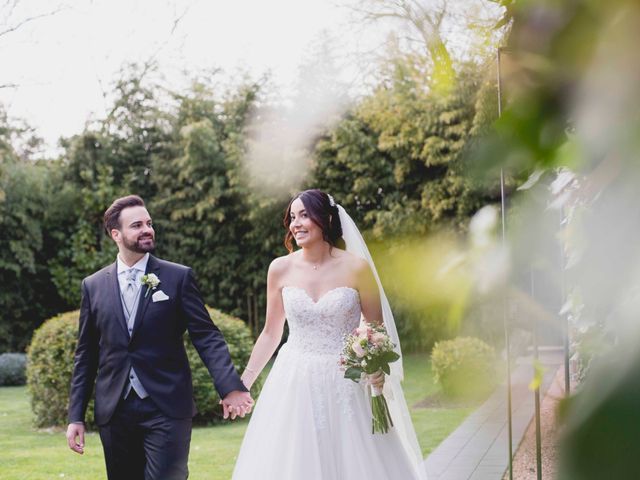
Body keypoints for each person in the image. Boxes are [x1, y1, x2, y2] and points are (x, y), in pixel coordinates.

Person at [232, 189, 427, 479]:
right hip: (294, 379)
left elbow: (375, 328)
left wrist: (373, 363)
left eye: (304, 215)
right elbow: (271, 333)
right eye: (292, 217)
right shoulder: (279, 268)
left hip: (346, 378)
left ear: (325, 219)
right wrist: (243, 383)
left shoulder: (357, 268)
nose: (295, 224)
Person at [65, 194, 253, 480]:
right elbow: (86, 354)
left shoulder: (178, 277)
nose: (147, 229)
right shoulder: (93, 286)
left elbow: (206, 335)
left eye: (149, 223)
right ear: (116, 234)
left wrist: (230, 387)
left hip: (166, 406)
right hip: (115, 410)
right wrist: (75, 415)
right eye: (137, 225)